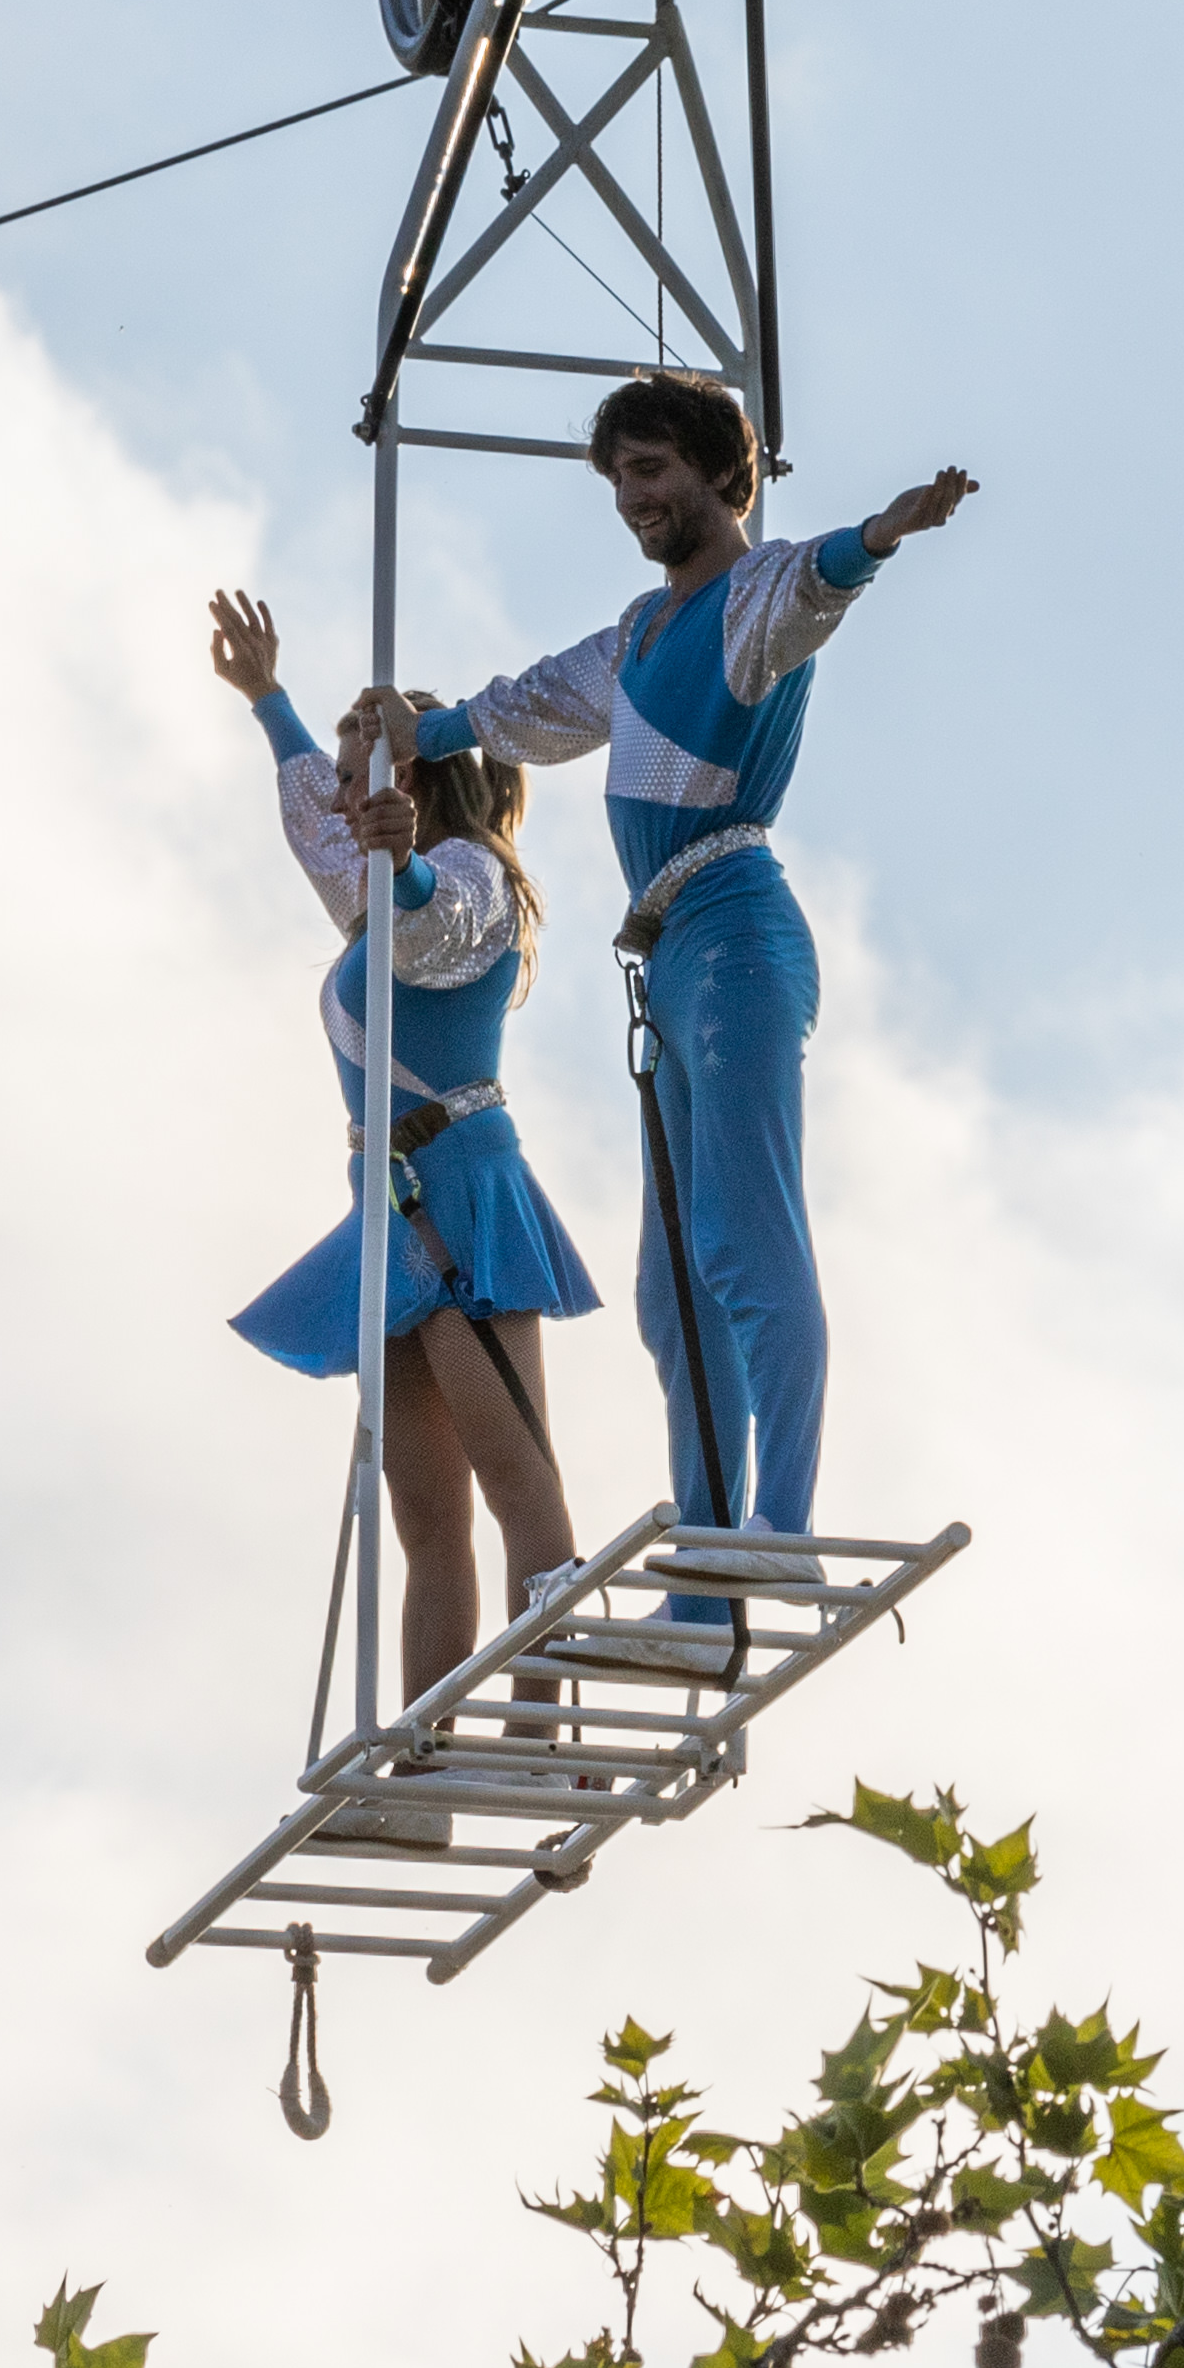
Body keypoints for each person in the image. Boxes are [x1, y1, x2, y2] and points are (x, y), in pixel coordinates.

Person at [365, 377, 975, 1609]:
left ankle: (781, 1524)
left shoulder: (751, 602)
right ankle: (706, 1570)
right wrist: (422, 730)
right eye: (619, 479)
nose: (633, 498)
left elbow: (813, 586)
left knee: (747, 1240)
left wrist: (879, 536)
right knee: (674, 1289)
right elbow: (530, 705)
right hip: (676, 950)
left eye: (650, 470)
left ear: (715, 472)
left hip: (737, 931)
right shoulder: (644, 630)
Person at [209, 586, 597, 1764]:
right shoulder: (374, 885)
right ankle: (422, 1760)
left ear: (411, 781)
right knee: (427, 1515)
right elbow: (319, 828)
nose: (340, 799)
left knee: (517, 1484)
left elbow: (444, 926)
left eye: (361, 777)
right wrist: (269, 699)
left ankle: (541, 1734)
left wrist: (406, 867)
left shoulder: (466, 877)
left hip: (456, 1194)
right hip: (388, 1206)